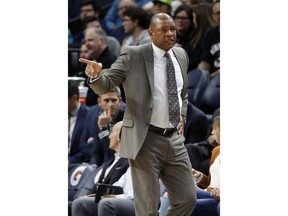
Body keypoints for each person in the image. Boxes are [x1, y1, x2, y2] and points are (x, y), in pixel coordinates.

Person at [79, 12, 196, 216]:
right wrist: (97, 75)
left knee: (187, 199)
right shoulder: (133, 55)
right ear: (150, 33)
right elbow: (106, 84)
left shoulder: (181, 55)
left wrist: (183, 114)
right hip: (145, 138)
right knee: (148, 207)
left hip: (174, 139)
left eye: (173, 29)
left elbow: (182, 94)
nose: (170, 34)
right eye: (163, 30)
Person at [158, 115, 220, 216]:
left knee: (184, 204)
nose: (212, 133)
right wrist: (200, 177)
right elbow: (211, 182)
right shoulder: (216, 151)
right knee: (171, 194)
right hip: (209, 193)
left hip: (219, 198)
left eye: (215, 129)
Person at [71, 121, 133, 216]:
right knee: (77, 203)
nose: (109, 136)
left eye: (111, 132)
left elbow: (120, 189)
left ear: (119, 137)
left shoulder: (128, 161)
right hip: (104, 197)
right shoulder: (110, 161)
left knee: (101, 204)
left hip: (120, 200)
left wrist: (109, 196)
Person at [79, 87, 125, 165]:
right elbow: (83, 146)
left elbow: (111, 151)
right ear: (99, 101)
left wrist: (103, 129)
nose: (110, 105)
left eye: (114, 100)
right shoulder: (92, 113)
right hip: (96, 164)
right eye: (106, 100)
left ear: (120, 101)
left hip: (118, 165)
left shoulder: (127, 116)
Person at [83, 27, 118, 106]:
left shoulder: (111, 61)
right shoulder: (90, 60)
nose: (86, 44)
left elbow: (105, 92)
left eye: (90, 40)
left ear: (101, 41)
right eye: (85, 41)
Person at [68, 80, 90, 164]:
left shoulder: (89, 116)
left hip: (77, 164)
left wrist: (70, 161)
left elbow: (89, 149)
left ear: (74, 98)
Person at [197, 0, 220, 77]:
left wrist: (211, 77)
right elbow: (205, 62)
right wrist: (200, 74)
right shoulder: (210, 33)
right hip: (214, 80)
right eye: (218, 13)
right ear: (213, 17)